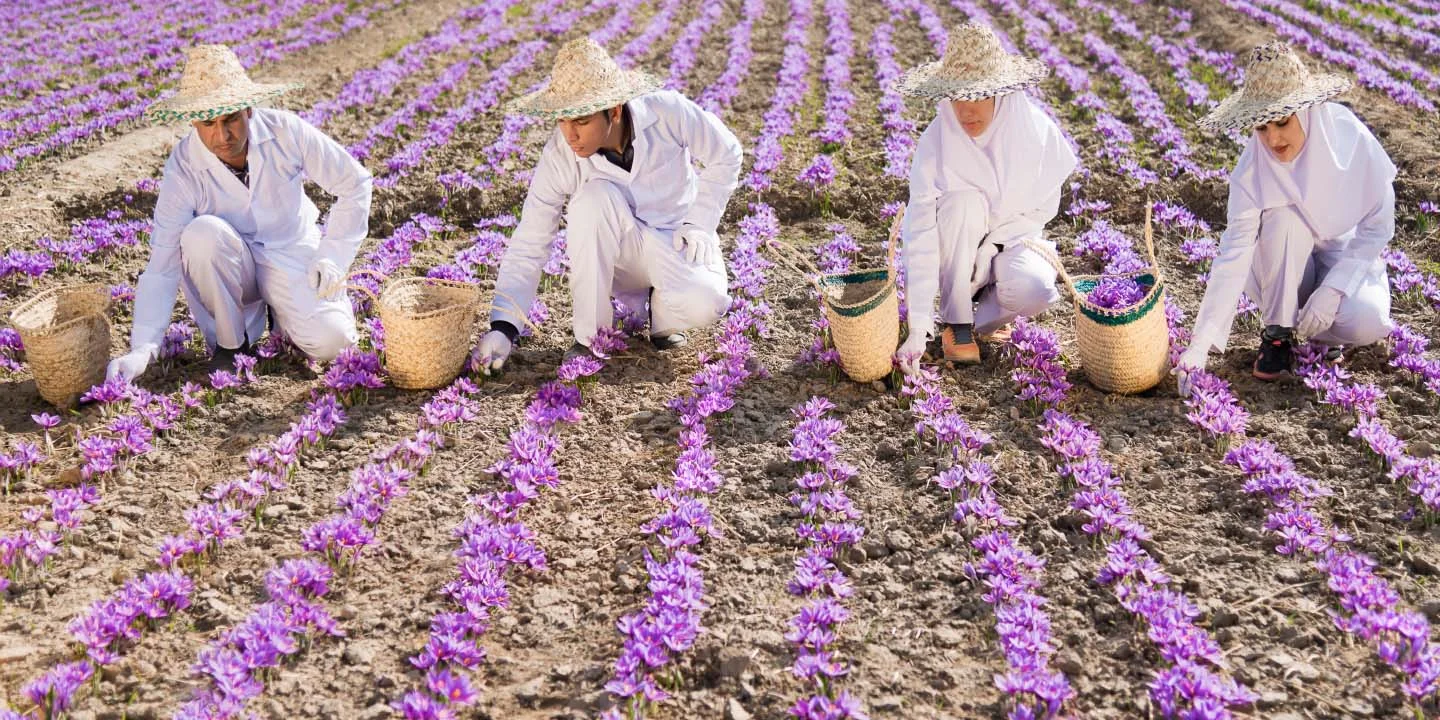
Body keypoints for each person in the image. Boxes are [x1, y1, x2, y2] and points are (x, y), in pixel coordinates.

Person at [473, 37, 742, 374]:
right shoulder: (560, 155)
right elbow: (531, 240)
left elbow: (727, 153)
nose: (570, 135)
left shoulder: (668, 112)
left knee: (706, 302)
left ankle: (663, 313)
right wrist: (503, 327)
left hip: (676, 243)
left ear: (614, 111)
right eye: (562, 120)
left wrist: (700, 222)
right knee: (593, 198)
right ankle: (590, 339)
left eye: (581, 121)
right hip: (620, 256)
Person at [107, 44, 373, 381]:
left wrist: (333, 255)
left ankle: (284, 316)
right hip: (230, 266)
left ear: (248, 108)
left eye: (230, 117)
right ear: (193, 121)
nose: (222, 135)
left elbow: (355, 182)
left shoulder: (285, 131)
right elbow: (162, 264)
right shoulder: (183, 165)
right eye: (208, 122)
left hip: (291, 250)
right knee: (201, 234)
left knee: (333, 342)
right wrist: (143, 348)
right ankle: (231, 345)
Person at [1176, 42, 1396, 396]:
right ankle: (1278, 333)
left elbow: (1377, 226)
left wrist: (1334, 289)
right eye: (1261, 127)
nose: (1273, 138)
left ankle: (1323, 337)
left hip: (1342, 254)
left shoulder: (1348, 138)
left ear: (1306, 111)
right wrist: (1199, 345)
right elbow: (1234, 252)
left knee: (1366, 320)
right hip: (1282, 266)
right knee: (1282, 218)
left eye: (1282, 121)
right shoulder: (1253, 168)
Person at [894, 23, 1076, 373]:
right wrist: (918, 328)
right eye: (957, 96)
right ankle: (957, 322)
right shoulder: (935, 143)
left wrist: (992, 246)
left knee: (1034, 287)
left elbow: (1040, 210)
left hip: (1012, 241)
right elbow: (920, 233)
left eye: (977, 95)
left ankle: (989, 320)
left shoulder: (1036, 134)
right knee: (962, 203)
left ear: (1000, 93)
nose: (965, 111)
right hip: (956, 247)